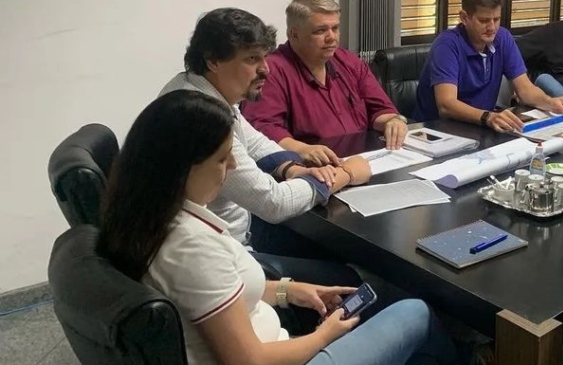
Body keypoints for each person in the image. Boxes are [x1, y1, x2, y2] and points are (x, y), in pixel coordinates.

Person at [98, 90, 459, 365]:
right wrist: (326, 335)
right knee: (416, 312)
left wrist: (290, 291)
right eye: (222, 158)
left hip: (275, 341)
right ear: (183, 167)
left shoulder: (148, 216)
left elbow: (219, 295)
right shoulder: (190, 248)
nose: (232, 165)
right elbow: (250, 361)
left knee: (379, 299)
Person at [160, 8, 369, 266]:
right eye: (251, 59)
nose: (266, 69)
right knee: (351, 270)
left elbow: (255, 142)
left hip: (238, 230)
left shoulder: (197, 88)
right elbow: (274, 203)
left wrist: (290, 168)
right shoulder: (202, 118)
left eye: (264, 57)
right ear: (213, 61)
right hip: (226, 255)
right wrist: (346, 174)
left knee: (332, 250)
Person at [242, 0, 407, 166]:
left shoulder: (349, 61)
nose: (331, 37)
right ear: (294, 35)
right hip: (312, 167)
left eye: (335, 28)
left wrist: (393, 121)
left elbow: (380, 109)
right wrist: (302, 149)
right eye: (320, 31)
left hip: (365, 160)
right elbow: (263, 130)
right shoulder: (271, 70)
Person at [415, 0, 563, 132]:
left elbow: (525, 89)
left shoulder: (502, 38)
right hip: (439, 130)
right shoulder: (447, 44)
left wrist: (551, 103)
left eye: (496, 19)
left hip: (481, 126)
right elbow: (446, 105)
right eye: (484, 20)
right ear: (464, 18)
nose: (492, 27)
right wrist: (488, 117)